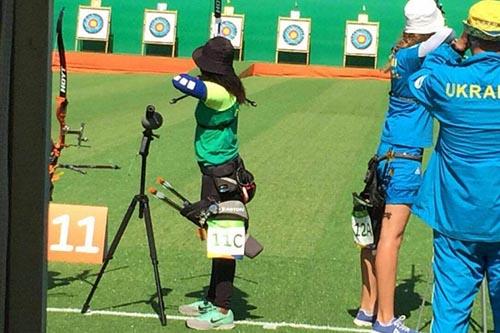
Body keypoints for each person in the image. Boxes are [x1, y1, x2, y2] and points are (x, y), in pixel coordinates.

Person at [353, 1, 454, 332]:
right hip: (404, 158)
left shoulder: (401, 54)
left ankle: (368, 308)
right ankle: (385, 321)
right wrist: (459, 35)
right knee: (390, 240)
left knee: (375, 235)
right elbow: (439, 40)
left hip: (387, 155)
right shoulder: (415, 55)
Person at [408, 1, 500, 331]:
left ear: (470, 34)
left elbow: (419, 77)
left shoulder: (445, 79)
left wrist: (454, 48)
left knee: (449, 315)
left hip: (456, 220)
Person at [170, 36, 253, 330]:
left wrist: (199, 75)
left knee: (223, 242)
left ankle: (222, 309)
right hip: (216, 172)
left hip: (220, 177)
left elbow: (177, 80)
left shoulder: (217, 92)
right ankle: (211, 299)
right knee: (216, 238)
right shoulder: (226, 87)